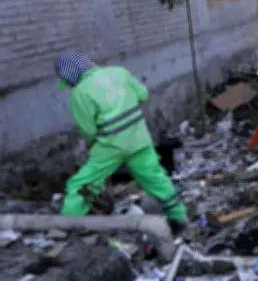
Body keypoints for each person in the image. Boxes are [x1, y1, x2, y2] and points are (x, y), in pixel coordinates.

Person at [54, 52, 188, 235]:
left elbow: (88, 130)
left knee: (83, 184)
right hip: (139, 139)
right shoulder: (119, 72)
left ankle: (66, 226)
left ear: (71, 75)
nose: (68, 85)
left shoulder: (80, 93)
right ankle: (179, 217)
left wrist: (94, 148)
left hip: (110, 146)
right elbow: (143, 94)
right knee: (156, 179)